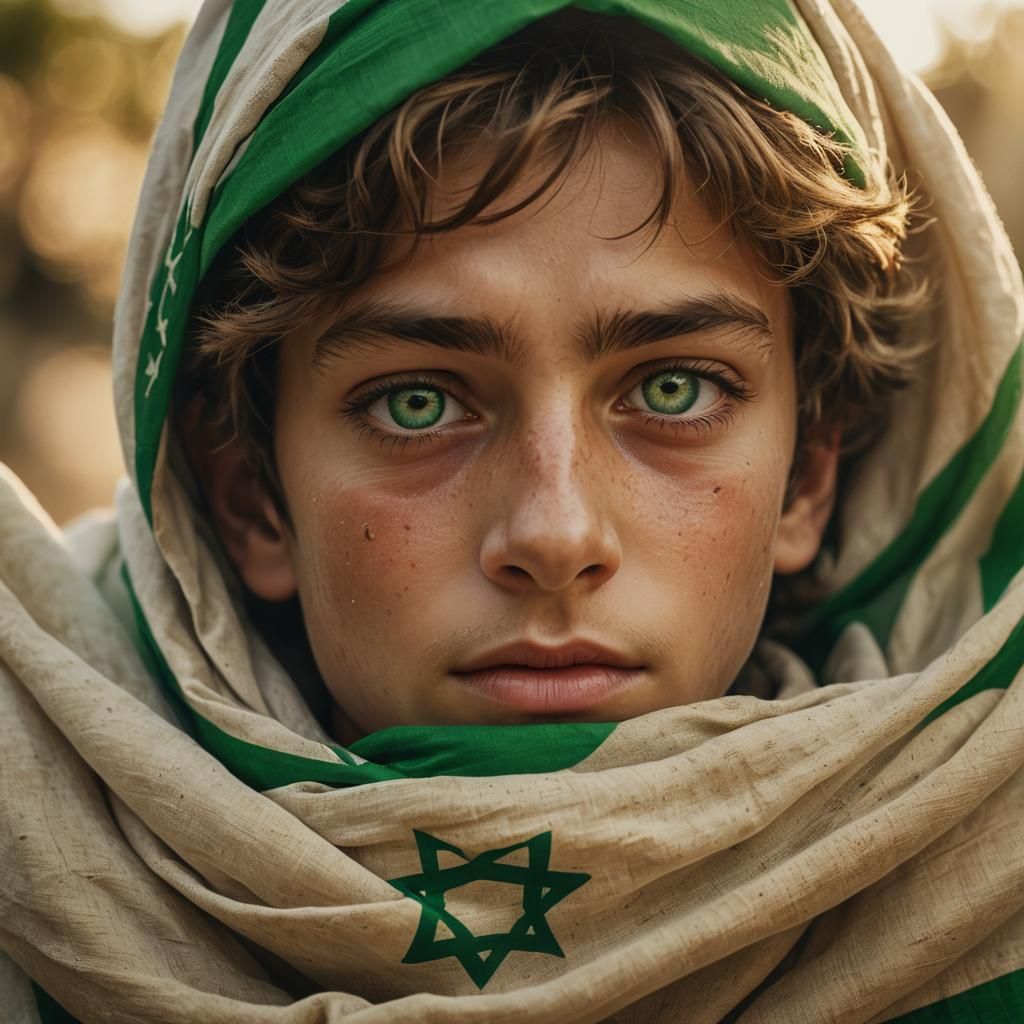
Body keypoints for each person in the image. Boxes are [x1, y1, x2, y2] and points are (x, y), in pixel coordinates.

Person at [1, 1, 1021, 1021]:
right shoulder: (29, 838)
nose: (554, 532)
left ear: (806, 477)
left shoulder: (988, 853)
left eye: (675, 389)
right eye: (419, 402)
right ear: (250, 496)